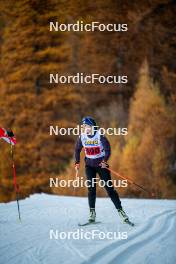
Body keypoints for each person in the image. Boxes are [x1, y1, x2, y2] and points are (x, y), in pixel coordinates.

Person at [75, 116, 131, 224]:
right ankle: (92, 213)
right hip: (89, 166)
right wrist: (77, 162)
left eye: (86, 126)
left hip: (101, 166)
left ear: (91, 126)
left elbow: (107, 149)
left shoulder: (100, 135)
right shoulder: (82, 137)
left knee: (109, 189)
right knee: (91, 189)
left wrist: (105, 160)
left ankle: (121, 212)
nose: (84, 128)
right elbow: (77, 150)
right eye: (83, 126)